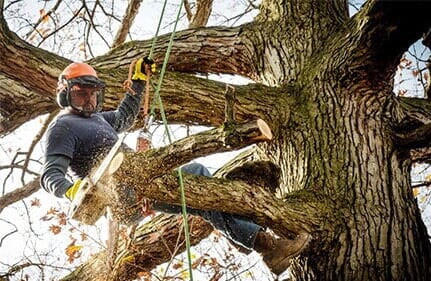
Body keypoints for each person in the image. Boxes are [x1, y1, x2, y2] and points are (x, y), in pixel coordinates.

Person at [40, 59, 311, 275]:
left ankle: (257, 241)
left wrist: (137, 82)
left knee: (202, 193)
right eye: (80, 94)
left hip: (141, 183)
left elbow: (124, 117)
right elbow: (50, 174)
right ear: (65, 94)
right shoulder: (62, 126)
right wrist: (72, 190)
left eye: (92, 95)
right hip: (121, 193)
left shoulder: (99, 119)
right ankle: (258, 241)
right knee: (199, 180)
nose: (88, 101)